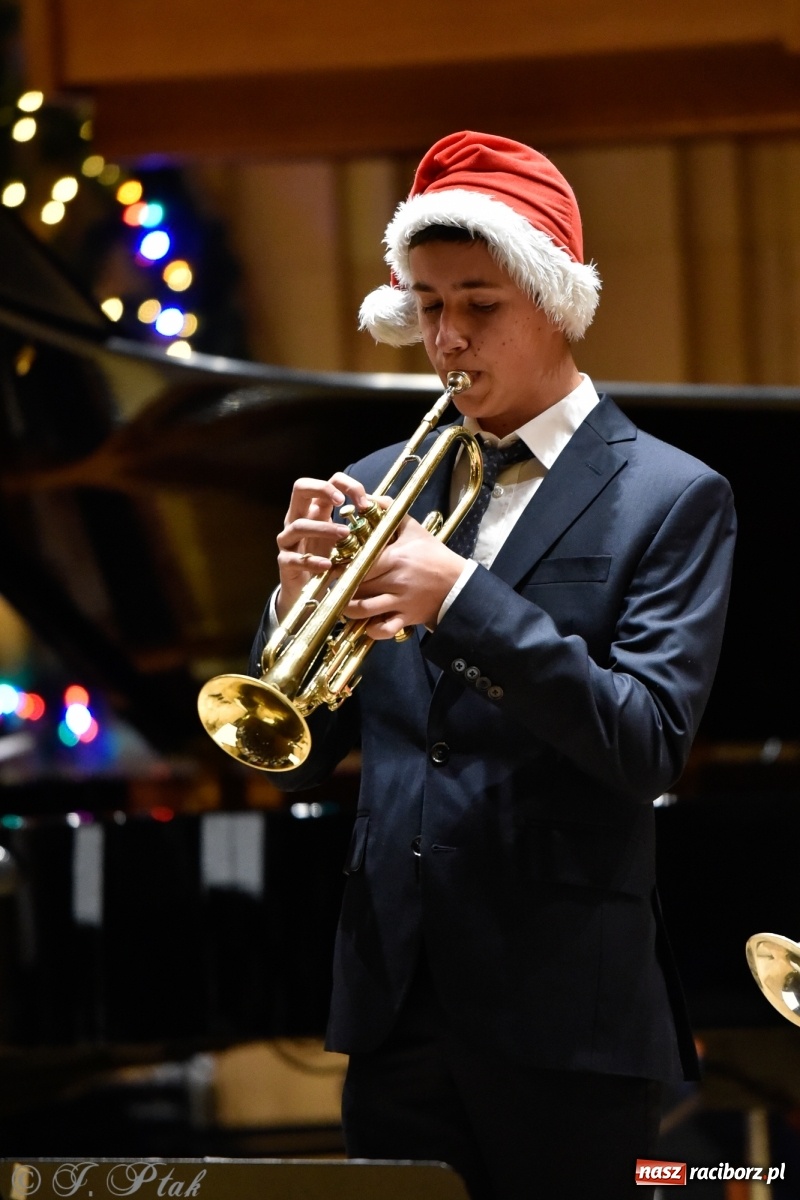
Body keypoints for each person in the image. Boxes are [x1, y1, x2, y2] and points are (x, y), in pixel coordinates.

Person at [249, 131, 736, 1199]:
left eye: (479, 303)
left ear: (554, 300)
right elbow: (293, 757)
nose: (446, 338)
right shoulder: (378, 481)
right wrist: (290, 615)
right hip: (396, 1003)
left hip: (567, 1012)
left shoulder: (670, 495)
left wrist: (462, 602)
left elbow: (645, 741)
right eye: (427, 305)